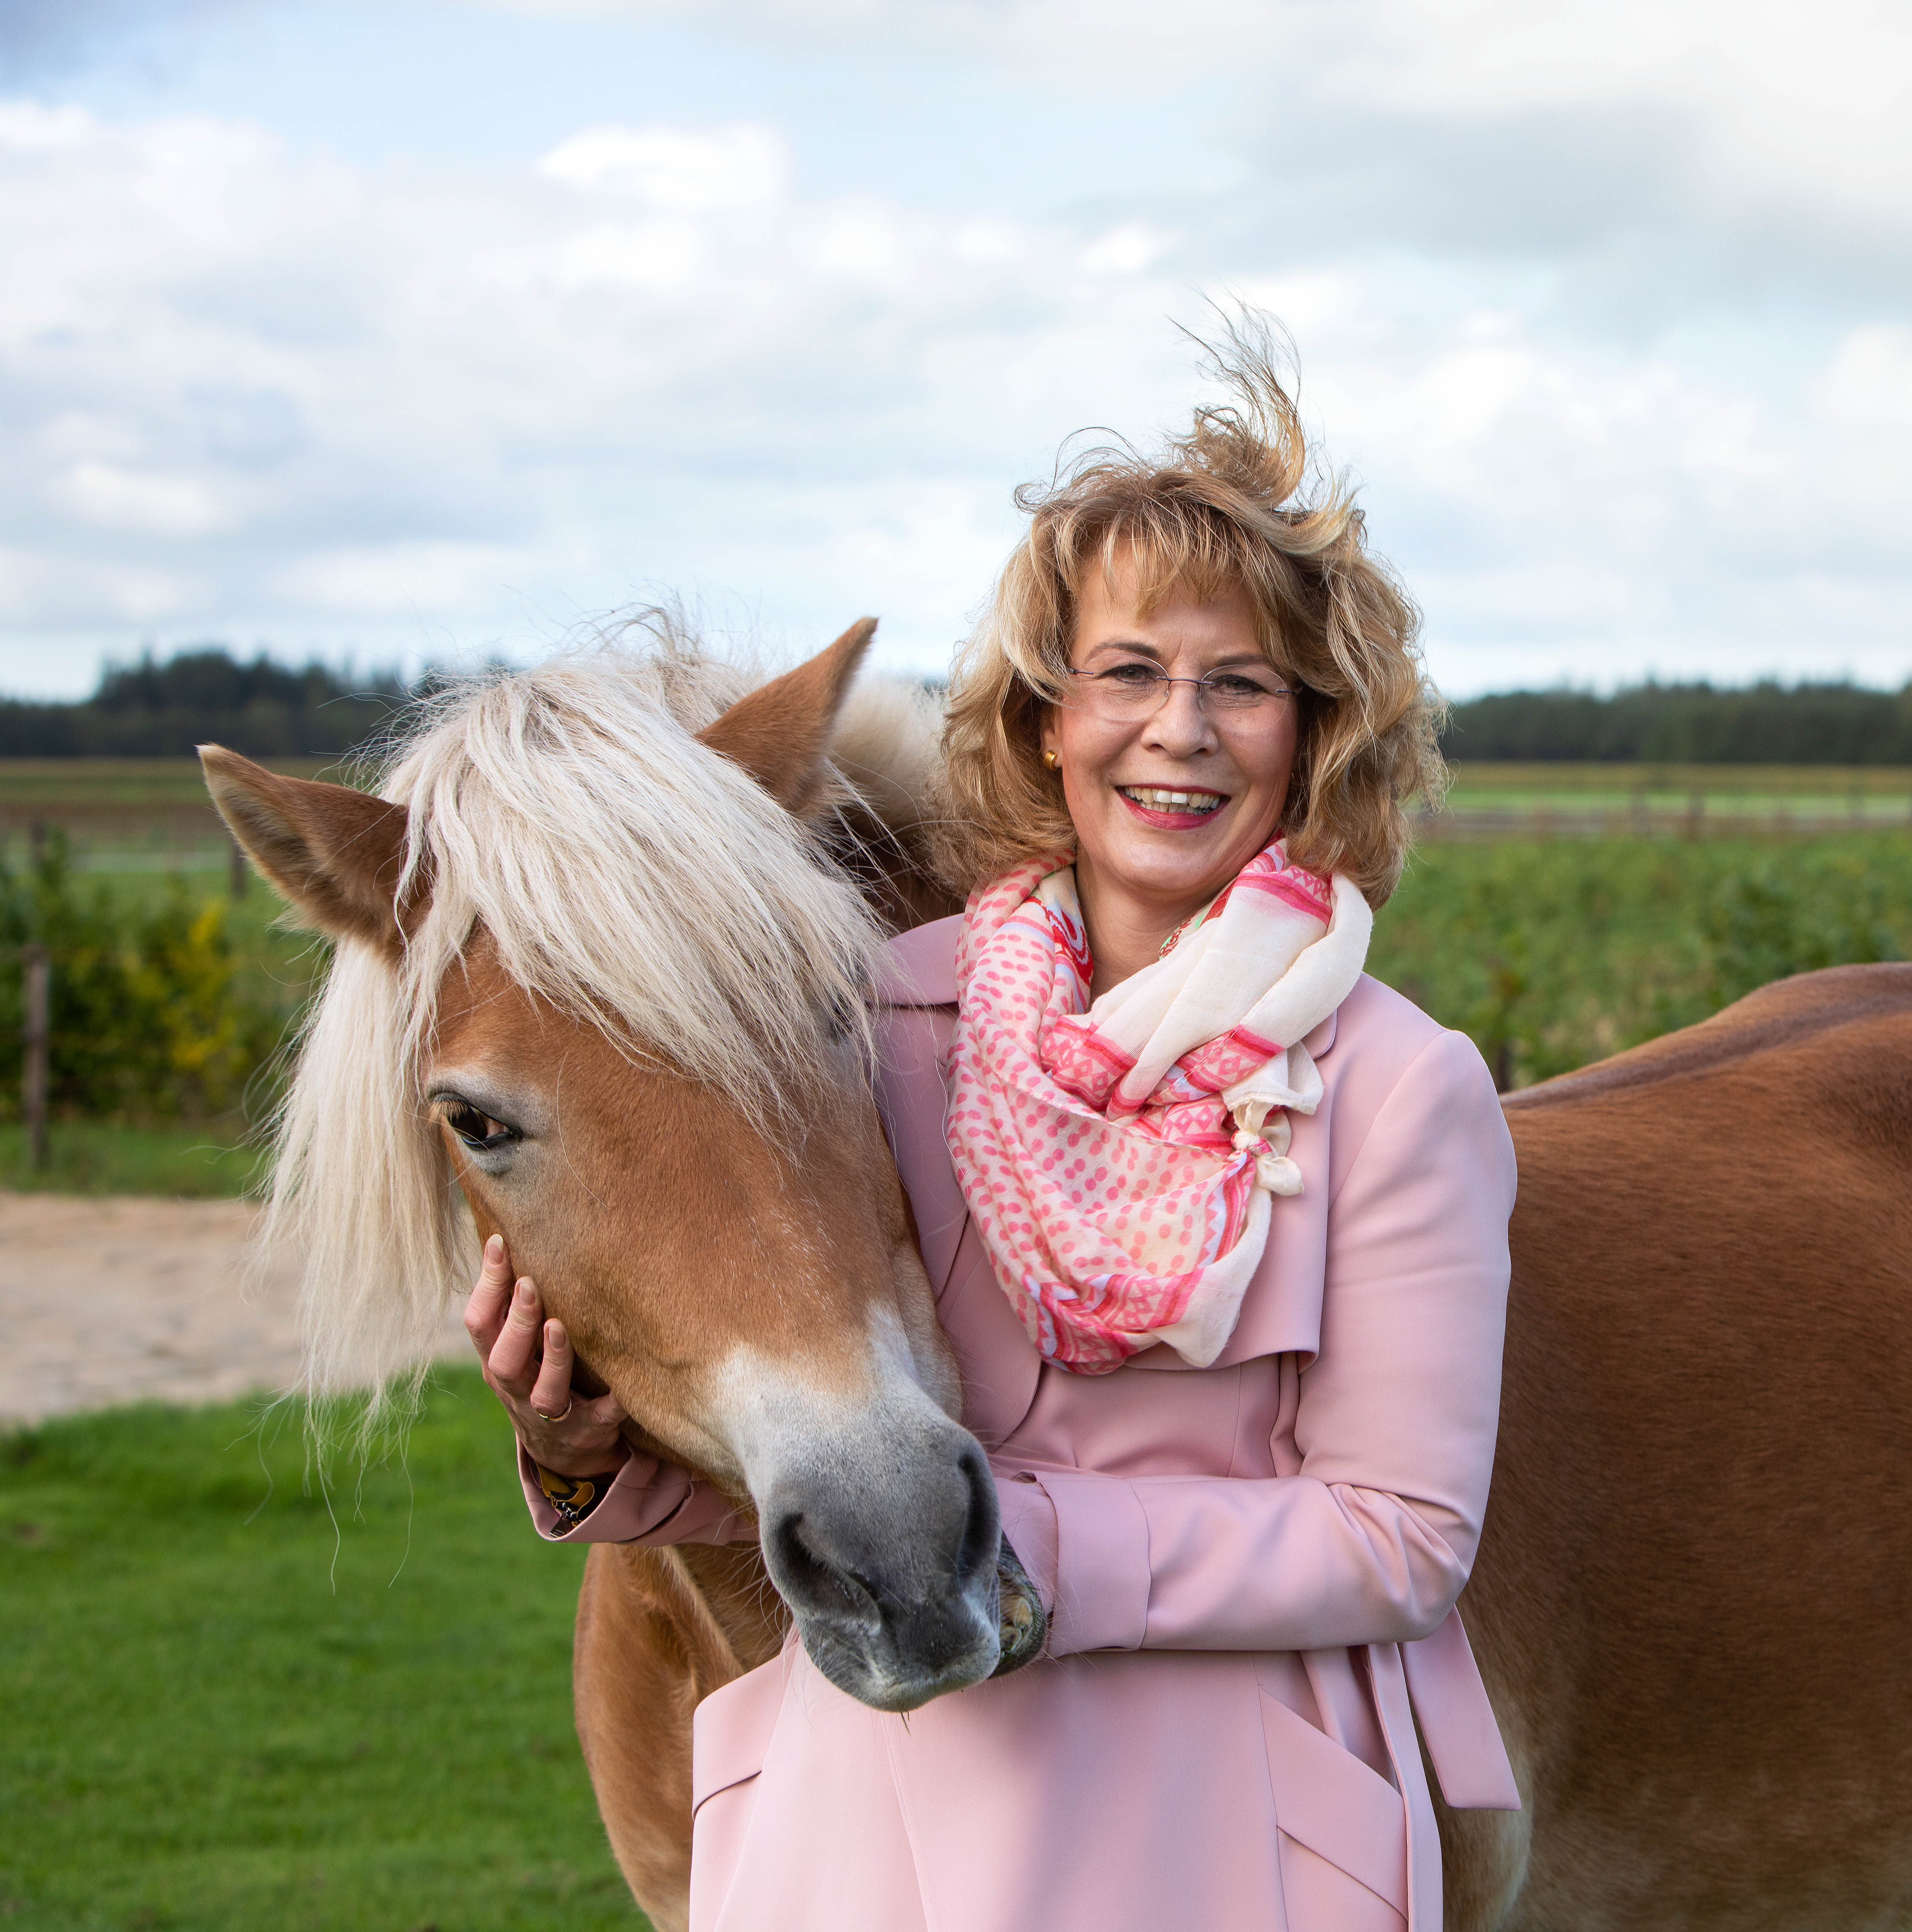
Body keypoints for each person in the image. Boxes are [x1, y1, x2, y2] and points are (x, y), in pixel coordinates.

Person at [461, 333, 1519, 1932]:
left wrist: (1009, 1553)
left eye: (1243, 685)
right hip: (860, 1826)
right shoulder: (878, 1022)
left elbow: (1401, 1540)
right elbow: (811, 1425)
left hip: (1217, 1824)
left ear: (1317, 735)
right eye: (1128, 675)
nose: (1181, 730)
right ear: (1046, 719)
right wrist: (582, 1458)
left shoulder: (1395, 1083)